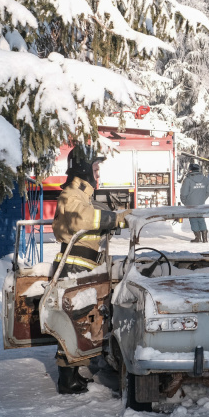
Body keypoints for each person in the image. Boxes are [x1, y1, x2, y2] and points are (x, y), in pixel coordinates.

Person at [51, 147, 130, 394]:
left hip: (82, 267)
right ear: (83, 169)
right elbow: (85, 219)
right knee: (73, 322)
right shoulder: (71, 196)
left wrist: (117, 219)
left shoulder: (81, 195)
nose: (97, 175)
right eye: (95, 169)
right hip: (74, 268)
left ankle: (72, 374)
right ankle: (66, 381)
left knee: (81, 321)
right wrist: (114, 219)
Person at [179, 163, 209, 243]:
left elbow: (184, 193)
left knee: (193, 219)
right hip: (201, 203)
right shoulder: (205, 179)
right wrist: (202, 199)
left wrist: (185, 202)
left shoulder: (188, 180)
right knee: (201, 218)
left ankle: (197, 237)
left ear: (190, 170)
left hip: (190, 203)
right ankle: (205, 238)